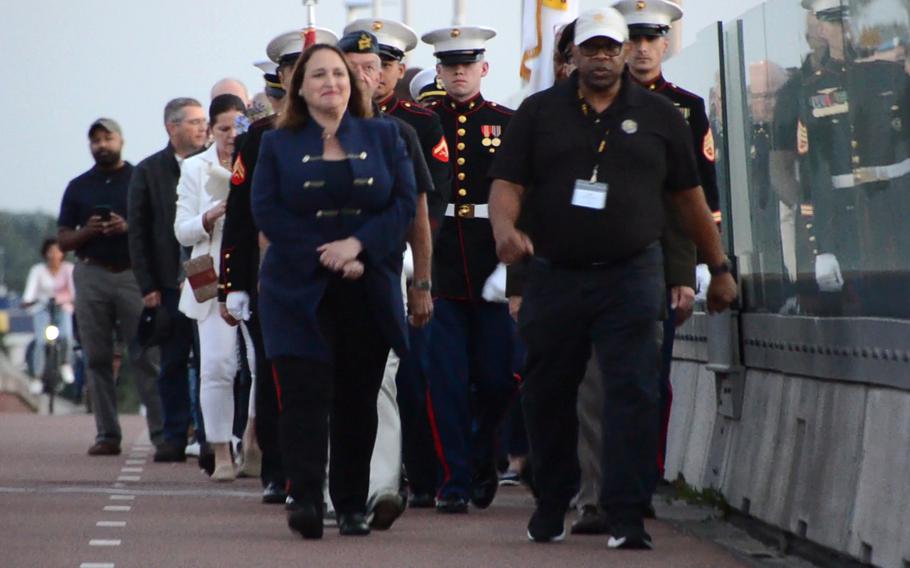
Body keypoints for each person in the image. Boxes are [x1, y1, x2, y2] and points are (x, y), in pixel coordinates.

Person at [488, 7, 737, 549]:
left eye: (610, 48)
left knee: (634, 391)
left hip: (631, 275)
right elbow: (506, 183)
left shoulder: (662, 115)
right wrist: (505, 232)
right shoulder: (538, 112)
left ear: (625, 52)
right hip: (555, 275)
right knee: (548, 392)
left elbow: (689, 200)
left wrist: (717, 269)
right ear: (573, 54)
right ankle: (553, 501)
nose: (601, 58)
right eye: (591, 49)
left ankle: (625, 513)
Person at [251, 44, 416, 539]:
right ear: (299, 87)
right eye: (318, 75)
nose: (331, 82)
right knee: (303, 398)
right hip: (297, 290)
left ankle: (349, 505)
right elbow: (266, 210)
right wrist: (326, 252)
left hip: (365, 288)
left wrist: (357, 246)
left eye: (339, 75)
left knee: (356, 401)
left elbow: (405, 203)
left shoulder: (386, 135)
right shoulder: (276, 144)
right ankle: (304, 498)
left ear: (354, 83)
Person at [221, 26, 338, 506]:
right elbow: (242, 216)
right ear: (283, 77)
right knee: (274, 374)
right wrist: (234, 282)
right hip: (272, 279)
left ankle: (327, 474)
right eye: (292, 71)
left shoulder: (349, 132)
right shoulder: (261, 139)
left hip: (334, 275)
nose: (300, 80)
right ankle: (278, 469)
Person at [343, 18, 453, 510]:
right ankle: (330, 489)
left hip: (385, 273)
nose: (368, 76)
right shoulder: (298, 134)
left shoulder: (405, 132)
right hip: (316, 278)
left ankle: (382, 487)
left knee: (384, 382)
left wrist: (422, 280)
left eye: (375, 66)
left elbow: (421, 214)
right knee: (328, 385)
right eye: (355, 68)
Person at [419, 25, 517, 514]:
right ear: (437, 70)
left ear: (484, 68)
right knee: (447, 382)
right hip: (440, 268)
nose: (459, 72)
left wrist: (513, 264)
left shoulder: (506, 121)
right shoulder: (424, 120)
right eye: (450, 65)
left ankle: (484, 456)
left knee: (500, 378)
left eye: (467, 64)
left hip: (491, 262)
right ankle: (453, 479)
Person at [58, 118, 164, 456]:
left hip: (133, 274)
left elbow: (157, 225)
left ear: (121, 140)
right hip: (92, 274)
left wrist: (127, 226)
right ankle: (107, 433)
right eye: (95, 140)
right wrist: (88, 231)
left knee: (146, 354)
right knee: (98, 356)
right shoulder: (78, 187)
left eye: (108, 138)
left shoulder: (139, 179)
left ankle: (163, 434)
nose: (102, 145)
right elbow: (63, 240)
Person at [128, 98, 208, 463]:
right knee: (173, 361)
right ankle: (174, 436)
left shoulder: (213, 165)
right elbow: (139, 234)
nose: (201, 128)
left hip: (206, 276)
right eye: (193, 122)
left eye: (204, 121)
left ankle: (210, 437)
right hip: (169, 282)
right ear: (171, 127)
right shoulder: (148, 171)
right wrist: (148, 286)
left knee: (211, 361)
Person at [174, 94, 247, 481]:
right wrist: (209, 215)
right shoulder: (194, 168)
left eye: (240, 127)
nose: (232, 135)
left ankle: (252, 441)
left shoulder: (260, 158)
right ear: (210, 130)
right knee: (217, 364)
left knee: (259, 363)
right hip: (211, 268)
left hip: (254, 268)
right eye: (223, 128)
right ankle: (220, 448)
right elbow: (181, 229)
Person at [22, 238, 76, 382]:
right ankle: (38, 376)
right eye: (50, 252)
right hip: (42, 309)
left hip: (62, 308)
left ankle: (65, 363)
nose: (54, 255)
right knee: (41, 341)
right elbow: (30, 292)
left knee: (66, 336)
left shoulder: (68, 269)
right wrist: (27, 301)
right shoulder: (37, 270)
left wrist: (71, 301)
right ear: (46, 254)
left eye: (57, 251)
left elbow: (74, 292)